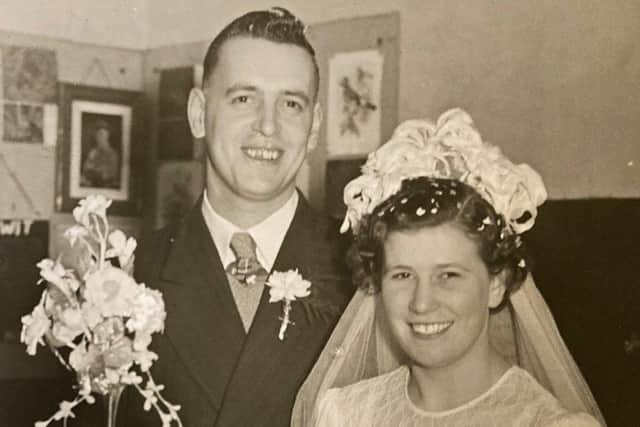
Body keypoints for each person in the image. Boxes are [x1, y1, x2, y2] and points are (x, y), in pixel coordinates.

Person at [293, 109, 606, 426]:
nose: (422, 302)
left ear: (496, 283)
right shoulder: (345, 415)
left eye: (448, 275)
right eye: (402, 275)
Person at [121, 8, 352, 427]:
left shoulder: (364, 269)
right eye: (244, 98)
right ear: (197, 113)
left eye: (292, 104)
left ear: (315, 126)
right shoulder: (126, 276)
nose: (268, 126)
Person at [81, 119, 120, 188]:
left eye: (102, 135)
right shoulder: (93, 152)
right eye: (97, 135)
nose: (99, 138)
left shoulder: (112, 154)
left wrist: (96, 171)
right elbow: (86, 171)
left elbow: (110, 175)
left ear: (107, 136)